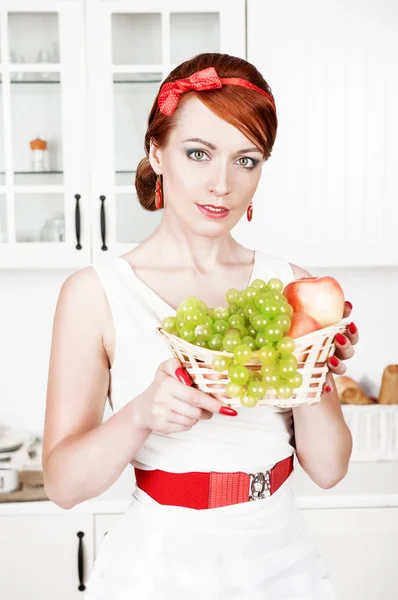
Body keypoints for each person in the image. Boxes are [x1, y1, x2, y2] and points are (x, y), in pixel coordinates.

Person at [43, 53, 359, 599]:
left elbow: (329, 469)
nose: (221, 185)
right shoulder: (95, 294)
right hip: (157, 567)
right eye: (198, 153)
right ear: (155, 152)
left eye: (246, 159)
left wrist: (311, 365)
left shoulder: (290, 285)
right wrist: (143, 413)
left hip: (284, 562)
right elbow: (64, 485)